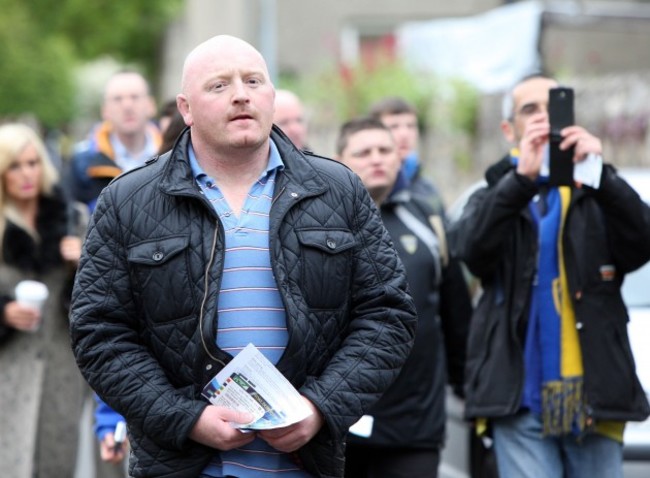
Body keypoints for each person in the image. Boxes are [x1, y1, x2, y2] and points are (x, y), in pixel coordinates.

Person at [69, 34, 417, 478]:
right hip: (183, 466)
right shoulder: (128, 200)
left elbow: (388, 314)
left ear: (271, 96)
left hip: (304, 465)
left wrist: (321, 407)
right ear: (185, 109)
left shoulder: (338, 189)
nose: (240, 94)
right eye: (219, 86)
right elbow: (98, 332)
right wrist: (185, 418)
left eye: (254, 81)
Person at [448, 73, 650, 478]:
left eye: (551, 108)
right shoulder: (495, 190)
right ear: (510, 129)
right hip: (518, 396)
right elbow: (471, 251)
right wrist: (520, 181)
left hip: (594, 394)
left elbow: (641, 242)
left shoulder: (595, 187)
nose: (543, 119)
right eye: (529, 110)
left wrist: (602, 176)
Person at [334, 117, 471, 478]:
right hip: (339, 423)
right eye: (364, 152)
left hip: (415, 426)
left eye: (385, 150)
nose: (377, 159)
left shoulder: (428, 222)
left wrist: (467, 385)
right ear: (340, 160)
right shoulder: (320, 227)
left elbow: (456, 314)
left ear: (400, 158)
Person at [0, 123, 87, 477]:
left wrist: (83, 263)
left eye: (33, 163)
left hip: (61, 368)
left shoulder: (72, 218)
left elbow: (107, 297)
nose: (27, 175)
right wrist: (3, 311)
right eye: (15, 166)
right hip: (8, 367)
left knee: (57, 462)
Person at [67, 70, 161, 211]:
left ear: (150, 105)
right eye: (117, 99)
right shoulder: (82, 162)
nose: (127, 106)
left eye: (135, 97)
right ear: (104, 110)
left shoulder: (175, 154)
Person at [369, 96, 445, 216]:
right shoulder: (368, 186)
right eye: (394, 126)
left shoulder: (427, 187)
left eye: (411, 126)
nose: (404, 134)